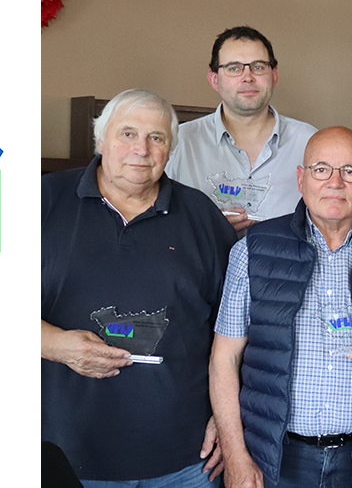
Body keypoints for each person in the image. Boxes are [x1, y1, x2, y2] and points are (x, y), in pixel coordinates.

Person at [209, 126, 352, 488]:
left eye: (350, 171)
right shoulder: (252, 250)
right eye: (321, 169)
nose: (335, 182)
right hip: (276, 458)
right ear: (301, 179)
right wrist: (237, 455)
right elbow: (224, 359)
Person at [40, 89, 237, 486]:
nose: (141, 149)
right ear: (101, 140)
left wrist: (227, 417)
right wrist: (52, 345)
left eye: (157, 138)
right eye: (127, 134)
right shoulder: (39, 201)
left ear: (170, 149)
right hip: (62, 455)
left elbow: (237, 328)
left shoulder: (202, 217)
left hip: (186, 461)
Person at [166, 26, 317, 234]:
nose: (248, 77)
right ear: (214, 79)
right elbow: (153, 222)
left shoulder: (311, 143)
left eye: (258, 66)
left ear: (274, 75)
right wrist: (206, 228)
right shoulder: (178, 143)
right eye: (234, 68)